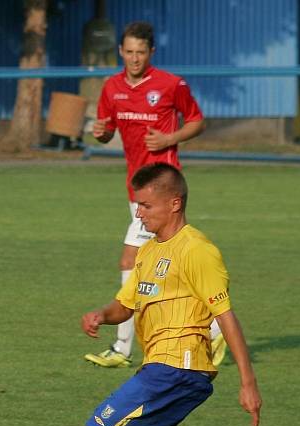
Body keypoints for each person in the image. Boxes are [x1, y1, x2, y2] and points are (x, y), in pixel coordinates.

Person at [8, 163, 262, 426]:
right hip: (159, 370)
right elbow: (126, 304)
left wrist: (248, 382)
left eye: (146, 205)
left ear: (174, 203)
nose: (139, 213)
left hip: (179, 370)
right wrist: (100, 315)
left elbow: (226, 316)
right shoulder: (149, 252)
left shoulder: (197, 250)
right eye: (137, 205)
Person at [84, 21, 227, 368]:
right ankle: (212, 328)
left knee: (130, 260)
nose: (134, 59)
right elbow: (106, 132)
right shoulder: (112, 87)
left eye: (141, 52)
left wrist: (168, 138)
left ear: (151, 53)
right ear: (121, 51)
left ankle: (121, 349)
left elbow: (197, 121)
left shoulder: (170, 84)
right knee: (170, 264)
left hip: (161, 187)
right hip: (135, 187)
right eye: (129, 52)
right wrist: (100, 132)